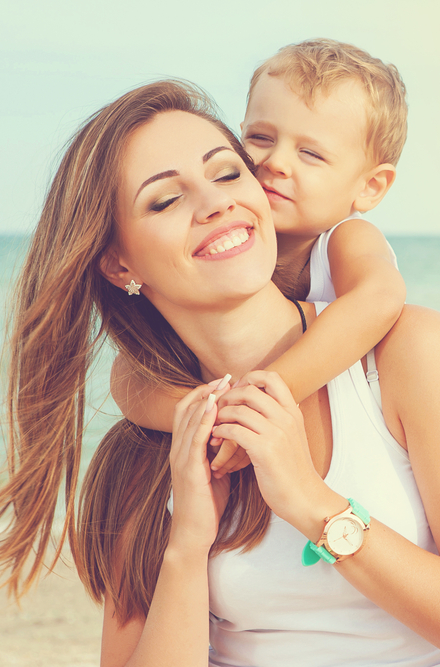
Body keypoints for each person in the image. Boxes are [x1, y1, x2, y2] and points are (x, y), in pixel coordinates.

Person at [0, 80, 440, 667]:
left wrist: (312, 503)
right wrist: (188, 544)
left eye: (227, 173)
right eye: (164, 200)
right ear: (119, 263)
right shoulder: (140, 453)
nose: (214, 204)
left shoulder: (403, 355)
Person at [111, 40, 409, 480]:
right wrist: (216, 419)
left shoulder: (345, 239)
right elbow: (126, 379)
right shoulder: (227, 245)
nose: (276, 163)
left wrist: (268, 394)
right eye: (260, 138)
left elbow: (380, 299)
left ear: (369, 187)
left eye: (311, 153)